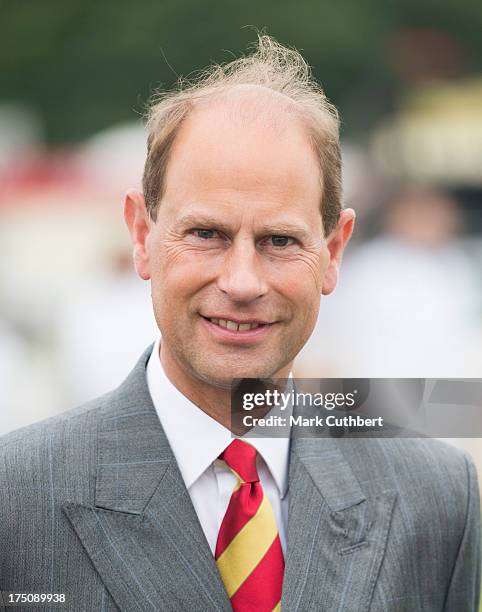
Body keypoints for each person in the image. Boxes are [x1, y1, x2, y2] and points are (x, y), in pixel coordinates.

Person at [0, 36, 480, 612]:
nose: (243, 281)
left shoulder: (436, 498)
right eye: (207, 234)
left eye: (280, 241)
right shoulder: (18, 498)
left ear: (334, 252)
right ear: (141, 235)